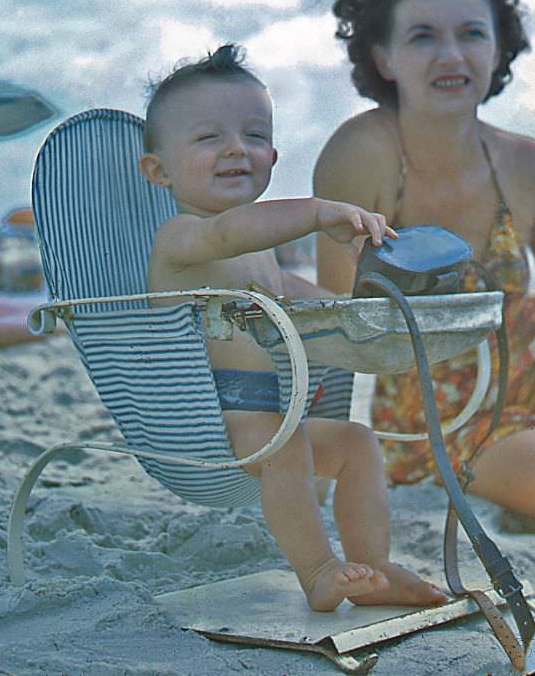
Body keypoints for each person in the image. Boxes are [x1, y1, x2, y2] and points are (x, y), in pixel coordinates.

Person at [139, 44, 447, 612]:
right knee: (288, 449)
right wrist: (314, 212)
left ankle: (374, 565)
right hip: (207, 420)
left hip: (267, 415)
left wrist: (385, 301)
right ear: (158, 171)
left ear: (273, 155)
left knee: (356, 443)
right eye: (209, 138)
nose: (236, 148)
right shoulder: (183, 238)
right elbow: (231, 233)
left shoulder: (265, 265)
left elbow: (331, 313)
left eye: (254, 136)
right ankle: (318, 569)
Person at [313, 0, 535, 523]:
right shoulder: (363, 154)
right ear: (383, 56)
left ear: (498, 46)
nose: (451, 56)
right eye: (423, 36)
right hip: (442, 429)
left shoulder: (530, 165)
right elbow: (329, 320)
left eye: (472, 33)